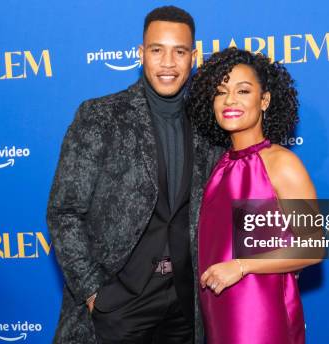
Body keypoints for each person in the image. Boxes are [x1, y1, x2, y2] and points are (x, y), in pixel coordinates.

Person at [47, 6, 223, 344]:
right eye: (157, 50)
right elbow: (64, 212)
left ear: (193, 56)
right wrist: (94, 294)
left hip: (186, 305)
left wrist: (287, 249)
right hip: (119, 304)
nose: (168, 63)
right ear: (141, 54)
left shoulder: (208, 126)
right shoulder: (101, 116)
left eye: (180, 51)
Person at [186, 47, 322, 344]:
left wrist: (242, 266)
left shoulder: (281, 163)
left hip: (262, 315)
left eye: (243, 90)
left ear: (265, 100)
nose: (230, 100)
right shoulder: (219, 166)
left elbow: (314, 247)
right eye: (221, 92)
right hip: (218, 313)